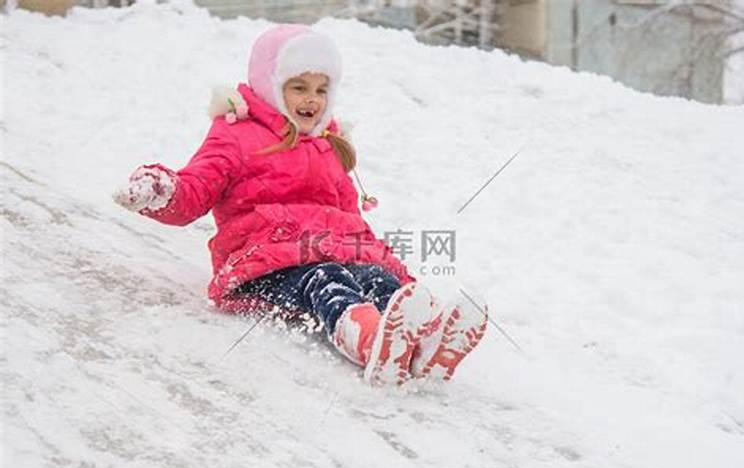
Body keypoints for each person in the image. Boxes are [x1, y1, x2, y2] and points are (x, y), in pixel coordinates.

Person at [114, 24, 486, 385]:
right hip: (263, 261)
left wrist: (376, 258)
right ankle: (371, 341)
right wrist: (163, 190)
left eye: (322, 90)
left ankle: (424, 343)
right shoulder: (236, 135)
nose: (313, 99)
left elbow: (348, 217)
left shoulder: (330, 143)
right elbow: (195, 190)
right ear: (270, 86)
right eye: (299, 87)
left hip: (325, 249)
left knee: (374, 278)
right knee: (325, 279)